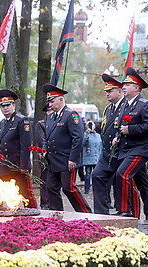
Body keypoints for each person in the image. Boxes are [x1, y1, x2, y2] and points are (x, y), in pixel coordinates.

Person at [113, 67, 148, 220]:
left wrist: (130, 130)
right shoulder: (125, 105)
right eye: (123, 85)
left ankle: (125, 210)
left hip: (140, 149)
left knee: (123, 174)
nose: (123, 87)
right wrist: (118, 136)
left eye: (127, 85)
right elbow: (121, 126)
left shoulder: (145, 104)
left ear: (137, 88)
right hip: (127, 148)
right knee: (142, 183)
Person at [42, 84, 92, 213]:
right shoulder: (50, 117)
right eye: (49, 102)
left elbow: (78, 138)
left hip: (66, 159)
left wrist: (73, 158)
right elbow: (47, 137)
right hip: (53, 159)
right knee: (51, 187)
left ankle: (85, 213)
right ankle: (56, 213)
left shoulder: (70, 115)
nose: (50, 105)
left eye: (52, 101)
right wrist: (44, 150)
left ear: (61, 99)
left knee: (68, 188)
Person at [0, 89, 37, 208]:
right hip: (5, 165)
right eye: (2, 106)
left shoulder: (22, 120)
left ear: (13, 105)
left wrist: (24, 165)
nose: (5, 108)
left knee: (25, 195)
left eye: (8, 105)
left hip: (17, 165)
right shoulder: (3, 123)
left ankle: (35, 216)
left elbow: (26, 145)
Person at [92, 74, 126, 215]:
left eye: (110, 91)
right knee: (96, 175)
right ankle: (101, 212)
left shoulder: (126, 106)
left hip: (120, 152)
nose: (107, 94)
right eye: (106, 91)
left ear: (119, 91)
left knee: (120, 181)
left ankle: (122, 210)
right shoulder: (108, 109)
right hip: (106, 153)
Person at [35, 104, 53, 209]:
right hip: (45, 156)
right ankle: (45, 203)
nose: (51, 112)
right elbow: (41, 139)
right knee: (45, 180)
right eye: (49, 111)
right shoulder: (41, 124)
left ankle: (51, 202)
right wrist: (43, 150)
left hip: (56, 157)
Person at [82, 120, 102, 194]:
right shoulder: (85, 135)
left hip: (97, 158)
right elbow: (83, 143)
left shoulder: (98, 135)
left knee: (96, 174)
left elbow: (100, 146)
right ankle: (87, 188)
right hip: (88, 157)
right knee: (88, 174)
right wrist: (87, 134)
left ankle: (96, 188)